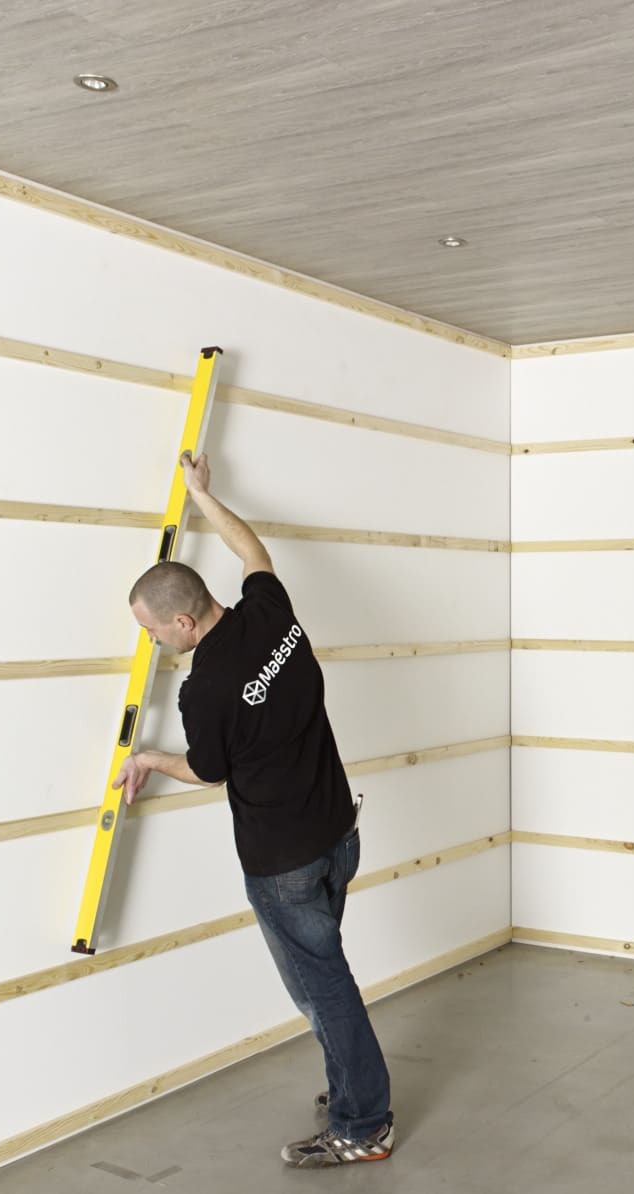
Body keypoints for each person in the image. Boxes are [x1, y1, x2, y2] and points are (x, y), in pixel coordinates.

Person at [113, 450, 394, 1168]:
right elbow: (253, 551)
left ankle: (364, 1124)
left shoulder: (204, 689)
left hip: (284, 864)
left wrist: (149, 759)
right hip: (338, 834)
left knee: (324, 990)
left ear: (182, 620)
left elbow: (207, 772)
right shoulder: (270, 612)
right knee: (323, 984)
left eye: (154, 632)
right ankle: (352, 1088)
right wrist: (202, 496)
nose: (153, 643)